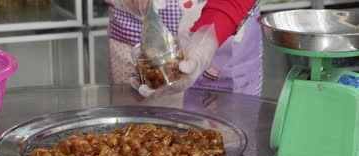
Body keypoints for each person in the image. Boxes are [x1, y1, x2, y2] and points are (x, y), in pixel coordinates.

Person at [104, 0, 263, 98]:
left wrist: (205, 41)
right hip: (133, 25)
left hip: (222, 22)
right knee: (135, 138)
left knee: (224, 141)